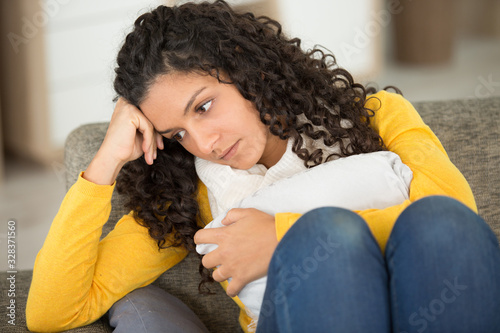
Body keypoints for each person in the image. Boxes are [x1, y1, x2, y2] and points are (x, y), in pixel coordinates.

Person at [26, 1, 500, 333]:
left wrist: (279, 236)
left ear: (247, 70)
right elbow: (51, 311)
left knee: (436, 223)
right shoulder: (193, 198)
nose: (204, 143)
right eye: (177, 135)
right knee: (327, 236)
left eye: (204, 107)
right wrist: (104, 162)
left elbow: (454, 215)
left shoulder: (377, 115)